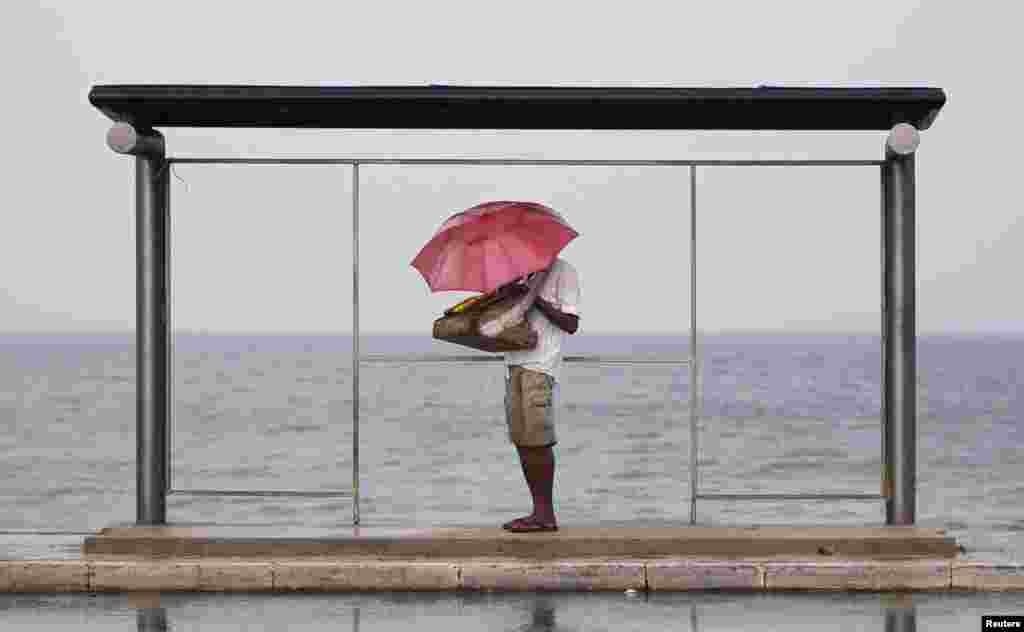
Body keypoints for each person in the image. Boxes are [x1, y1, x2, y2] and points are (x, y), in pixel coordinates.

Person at [499, 257, 580, 532]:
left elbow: (571, 323)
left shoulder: (563, 271)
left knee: (538, 440)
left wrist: (533, 298)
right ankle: (538, 512)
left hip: (541, 365)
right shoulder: (518, 272)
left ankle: (545, 515)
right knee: (522, 440)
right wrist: (508, 294)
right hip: (514, 362)